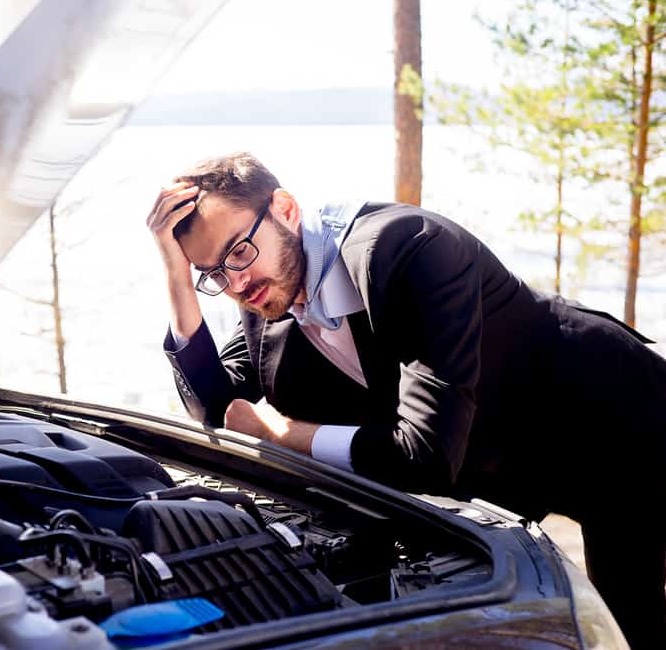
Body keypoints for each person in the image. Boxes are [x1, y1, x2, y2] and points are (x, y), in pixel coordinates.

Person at [147, 151, 666, 649]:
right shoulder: (267, 289)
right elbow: (217, 411)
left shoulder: (410, 249)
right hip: (502, 464)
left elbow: (426, 456)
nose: (235, 281)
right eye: (212, 273)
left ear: (285, 208)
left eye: (238, 251)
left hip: (615, 422)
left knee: (632, 623)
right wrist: (176, 276)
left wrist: (286, 436)